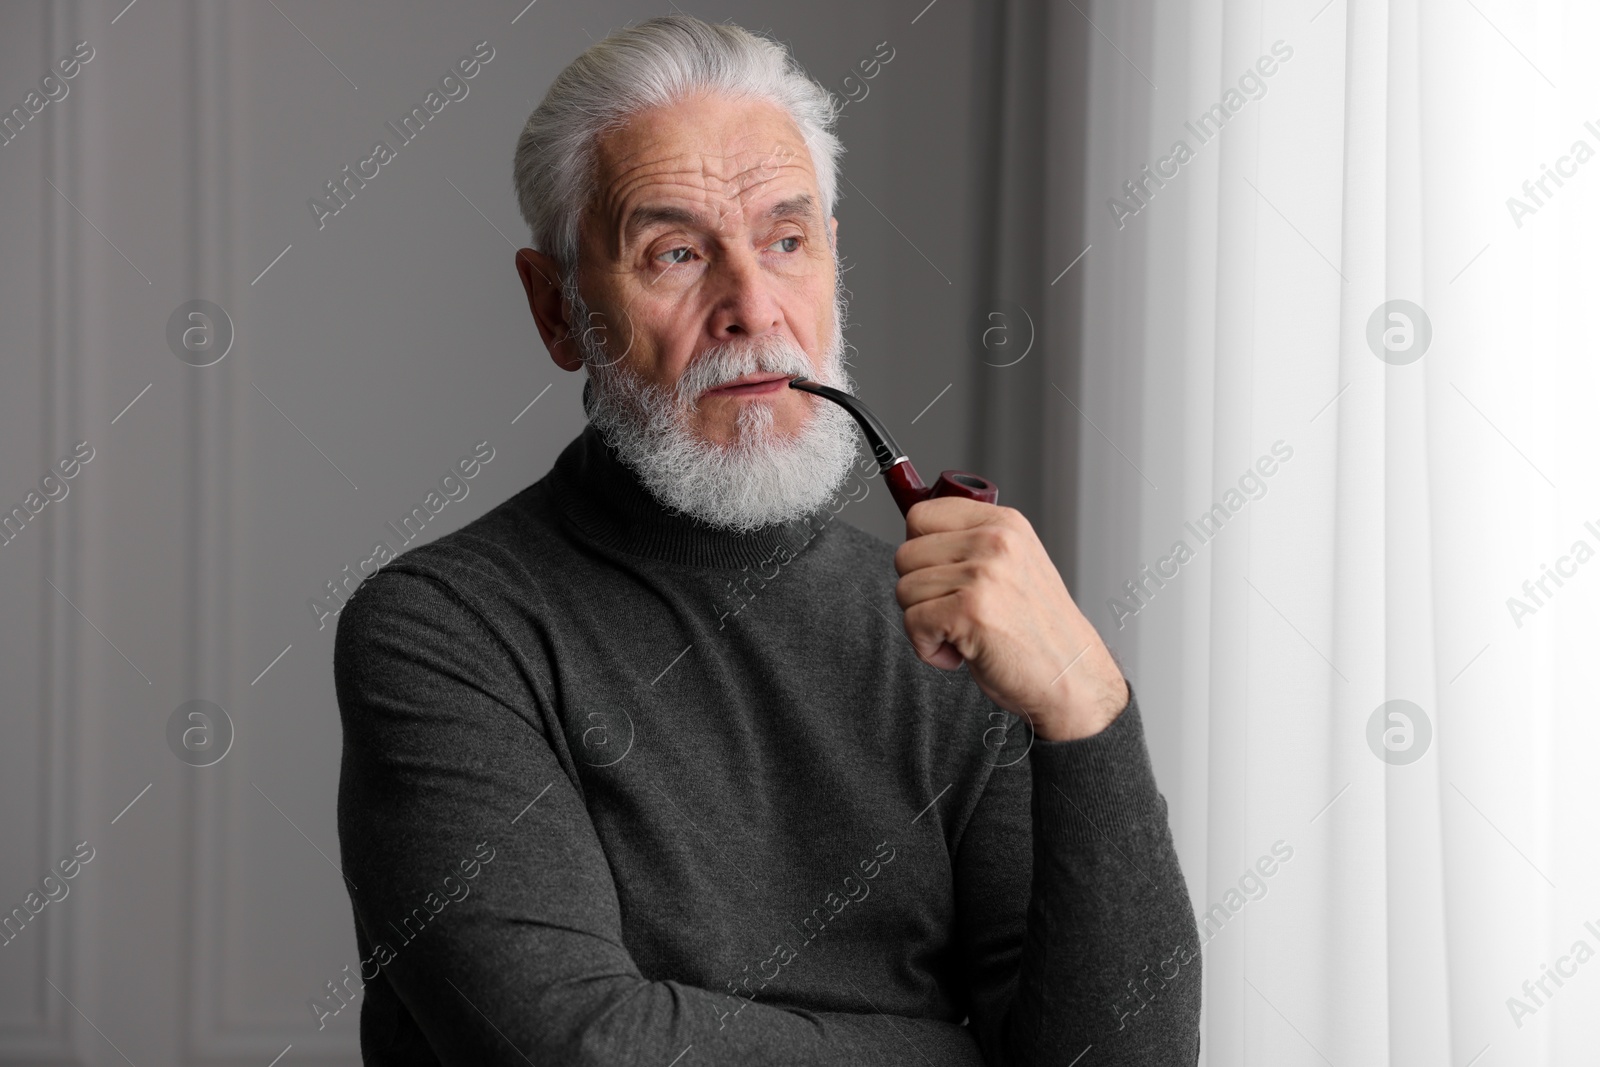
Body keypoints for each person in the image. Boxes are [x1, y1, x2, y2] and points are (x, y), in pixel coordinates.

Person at [332, 14, 1200, 1065]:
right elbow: (577, 1044)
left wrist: (1085, 704)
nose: (752, 307)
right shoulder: (441, 630)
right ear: (557, 308)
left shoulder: (959, 635)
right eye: (677, 252)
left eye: (787, 241)